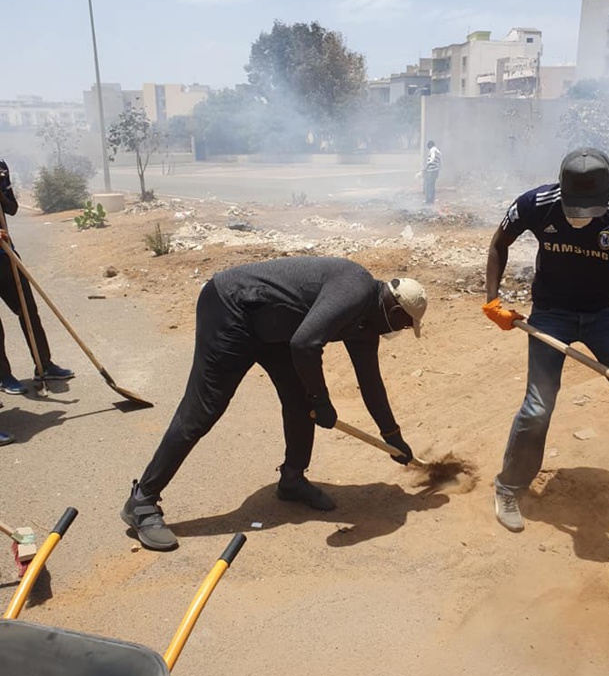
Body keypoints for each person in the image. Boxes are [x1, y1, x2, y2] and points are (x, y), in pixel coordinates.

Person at [121, 256, 428, 551]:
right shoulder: (356, 289)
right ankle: (143, 500)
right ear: (396, 311)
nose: (399, 331)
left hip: (272, 326)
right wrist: (322, 401)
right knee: (203, 410)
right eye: (403, 326)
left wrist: (392, 436)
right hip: (231, 308)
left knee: (299, 402)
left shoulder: (366, 326)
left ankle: (292, 479)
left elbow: (371, 383)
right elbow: (305, 344)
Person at [483, 147, 609, 533]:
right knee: (537, 408)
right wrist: (492, 300)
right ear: (561, 190)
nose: (579, 218)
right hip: (552, 315)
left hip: (606, 315)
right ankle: (508, 487)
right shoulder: (535, 203)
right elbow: (498, 243)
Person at [0, 158, 74, 393]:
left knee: (28, 309)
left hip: (5, 253)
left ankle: (44, 364)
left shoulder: (0, 166)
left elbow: (11, 208)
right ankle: (3, 377)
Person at [423, 140, 442, 206]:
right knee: (432, 185)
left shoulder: (433, 150)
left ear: (430, 145)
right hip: (436, 170)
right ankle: (431, 200)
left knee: (428, 185)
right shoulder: (438, 151)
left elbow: (432, 159)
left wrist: (427, 167)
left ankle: (428, 201)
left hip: (431, 170)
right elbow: (439, 162)